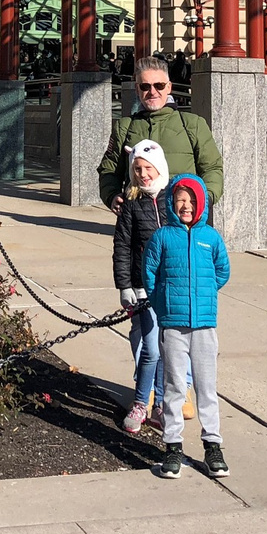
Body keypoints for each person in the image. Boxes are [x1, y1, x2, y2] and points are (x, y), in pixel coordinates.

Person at [142, 175, 230, 480]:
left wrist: (205, 296)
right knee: (175, 387)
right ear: (171, 203)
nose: (186, 205)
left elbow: (223, 271)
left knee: (206, 387)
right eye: (180, 199)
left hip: (204, 324)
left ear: (202, 203)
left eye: (192, 200)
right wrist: (162, 302)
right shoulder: (163, 237)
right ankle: (173, 446)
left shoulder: (211, 238)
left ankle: (212, 445)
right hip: (173, 325)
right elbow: (149, 272)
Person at [98, 56, 224, 213]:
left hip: (181, 221)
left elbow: (212, 168)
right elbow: (109, 169)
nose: (152, 92)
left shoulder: (193, 124)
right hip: (138, 223)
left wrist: (206, 199)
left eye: (159, 85)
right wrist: (112, 196)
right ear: (137, 89)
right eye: (145, 86)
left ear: (169, 87)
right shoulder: (124, 127)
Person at [112, 139, 169, 434]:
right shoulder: (132, 202)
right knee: (151, 347)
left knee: (165, 346)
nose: (143, 174)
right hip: (142, 288)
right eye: (137, 169)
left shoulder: (174, 198)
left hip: (170, 288)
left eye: (147, 168)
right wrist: (125, 286)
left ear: (159, 167)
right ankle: (140, 402)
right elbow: (122, 246)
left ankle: (160, 403)